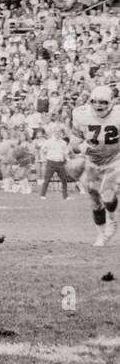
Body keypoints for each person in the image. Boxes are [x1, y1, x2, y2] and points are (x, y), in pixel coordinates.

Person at [71, 85, 119, 247]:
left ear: (112, 103)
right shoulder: (81, 114)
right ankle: (101, 235)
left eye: (104, 102)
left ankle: (112, 221)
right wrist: (82, 146)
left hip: (115, 158)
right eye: (95, 101)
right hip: (93, 160)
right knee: (94, 199)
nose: (99, 105)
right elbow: (74, 142)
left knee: (107, 192)